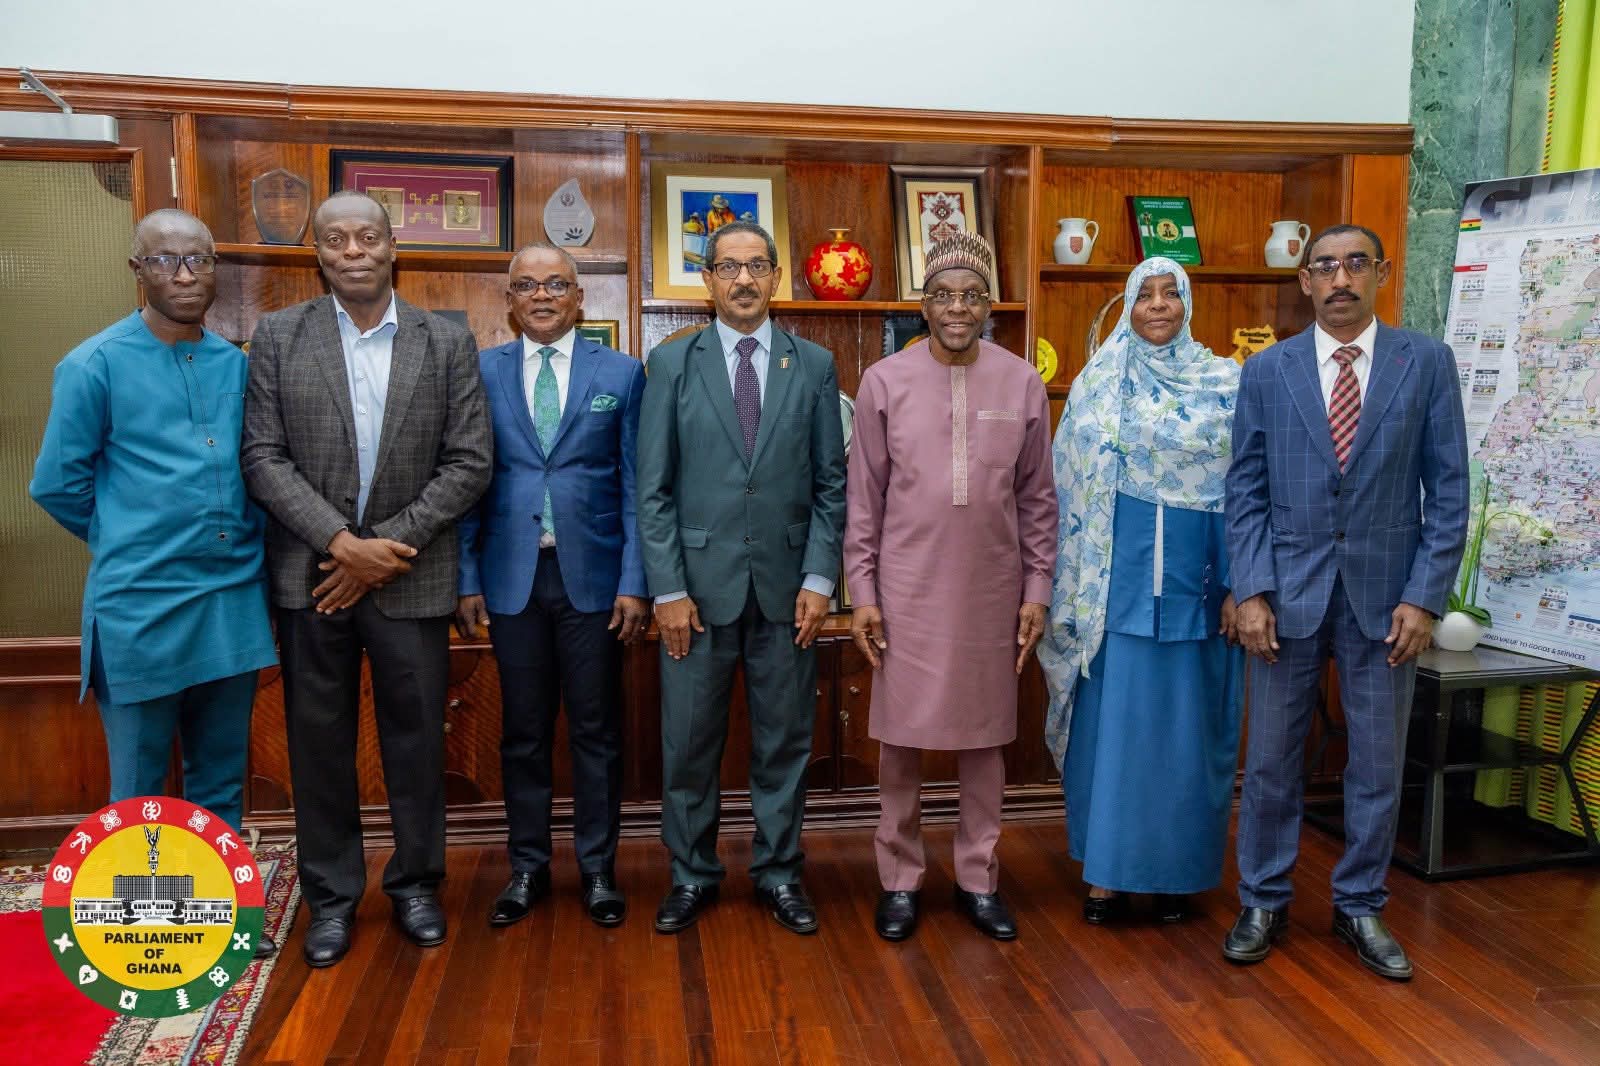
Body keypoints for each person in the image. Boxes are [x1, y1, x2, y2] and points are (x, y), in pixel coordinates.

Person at [241, 190, 492, 967]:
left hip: (410, 578)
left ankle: (416, 887)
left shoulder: (445, 340)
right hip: (311, 576)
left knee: (417, 743)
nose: (353, 250)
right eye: (336, 239)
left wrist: (382, 547)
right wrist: (339, 543)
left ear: (392, 248)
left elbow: (470, 461)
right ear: (316, 253)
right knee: (318, 746)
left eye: (368, 237)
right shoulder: (279, 337)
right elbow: (262, 457)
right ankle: (332, 900)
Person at [30, 209, 279, 959]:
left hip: (231, 601)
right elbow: (58, 486)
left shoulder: (235, 364)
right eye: (166, 261)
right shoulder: (93, 364)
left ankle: (229, 922)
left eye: (198, 261)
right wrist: (131, 542)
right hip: (139, 607)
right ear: (136, 270)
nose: (184, 276)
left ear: (214, 270)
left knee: (221, 777)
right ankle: (150, 928)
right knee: (139, 787)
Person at [1224, 224, 1469, 980]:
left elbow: (1450, 488)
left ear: (1381, 274)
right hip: (1287, 598)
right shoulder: (1267, 370)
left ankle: (1360, 904)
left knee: (1375, 764)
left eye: (1354, 264)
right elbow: (1245, 492)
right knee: (1269, 762)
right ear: (1304, 282)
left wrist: (1425, 598)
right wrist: (1252, 590)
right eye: (1324, 267)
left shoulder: (1424, 363)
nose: (1339, 279)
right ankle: (1263, 898)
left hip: (1386, 601)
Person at [637, 220, 846, 936]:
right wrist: (666, 589)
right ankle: (691, 873)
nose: (744, 280)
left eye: (758, 266)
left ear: (777, 275)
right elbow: (653, 488)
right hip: (693, 594)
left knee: (785, 741)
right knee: (689, 743)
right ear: (708, 281)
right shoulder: (671, 364)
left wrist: (821, 578)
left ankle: (780, 873)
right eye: (729, 268)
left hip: (789, 594)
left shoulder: (813, 365)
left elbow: (830, 484)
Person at [845, 231, 1055, 942]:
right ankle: (900, 880)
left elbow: (1039, 501)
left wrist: (1038, 588)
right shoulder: (884, 381)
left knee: (985, 743)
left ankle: (977, 877)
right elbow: (862, 501)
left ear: (989, 305)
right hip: (905, 588)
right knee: (901, 744)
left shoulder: (1022, 381)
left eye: (971, 296)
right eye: (943, 295)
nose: (957, 308)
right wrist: (864, 594)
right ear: (923, 306)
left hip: (994, 590)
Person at [1038, 258, 1243, 928]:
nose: (1157, 305)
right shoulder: (1100, 383)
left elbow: (1248, 489)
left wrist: (1242, 584)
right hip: (1110, 587)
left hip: (1198, 587)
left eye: (1170, 294)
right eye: (1144, 295)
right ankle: (1107, 877)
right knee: (1116, 735)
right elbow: (1064, 479)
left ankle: (1177, 877)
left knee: (1184, 735)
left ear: (1188, 302)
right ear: (1127, 305)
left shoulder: (1226, 383)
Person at [456, 243, 648, 928]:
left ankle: (598, 871)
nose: (542, 295)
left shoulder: (623, 374)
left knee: (598, 732)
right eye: (528, 285)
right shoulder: (479, 372)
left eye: (557, 284)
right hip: (511, 581)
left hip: (595, 581)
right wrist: (467, 575)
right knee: (524, 733)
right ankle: (527, 868)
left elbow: (634, 484)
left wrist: (635, 581)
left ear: (579, 298)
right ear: (509, 299)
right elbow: (466, 484)